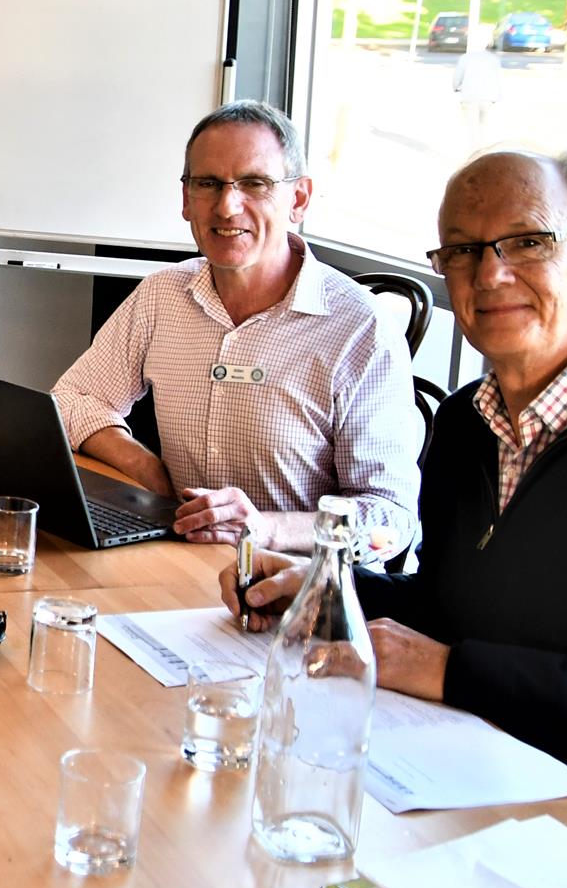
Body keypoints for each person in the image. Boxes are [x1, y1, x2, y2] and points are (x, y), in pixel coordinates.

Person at [230, 150, 567, 883]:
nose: (489, 274)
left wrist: (459, 674)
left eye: (528, 242)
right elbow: (450, 609)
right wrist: (323, 591)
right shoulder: (465, 423)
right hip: (467, 819)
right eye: (462, 250)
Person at [52, 100, 423, 554]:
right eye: (208, 184)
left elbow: (390, 518)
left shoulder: (361, 327)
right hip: (183, 556)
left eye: (255, 183)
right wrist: (146, 467)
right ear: (186, 200)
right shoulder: (162, 295)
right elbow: (71, 400)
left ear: (299, 199)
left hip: (292, 578)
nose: (227, 207)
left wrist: (266, 528)